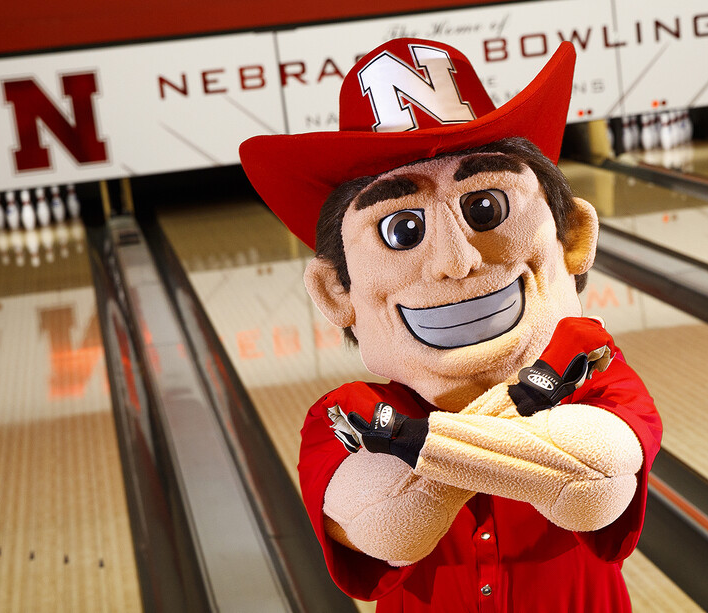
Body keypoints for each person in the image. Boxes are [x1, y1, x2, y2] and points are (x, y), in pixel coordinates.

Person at [240, 37, 662, 613]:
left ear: (571, 240)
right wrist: (522, 402)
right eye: (403, 230)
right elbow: (389, 523)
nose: (456, 260)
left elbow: (594, 481)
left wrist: (408, 440)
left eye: (485, 208)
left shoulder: (597, 371)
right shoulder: (338, 417)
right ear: (336, 292)